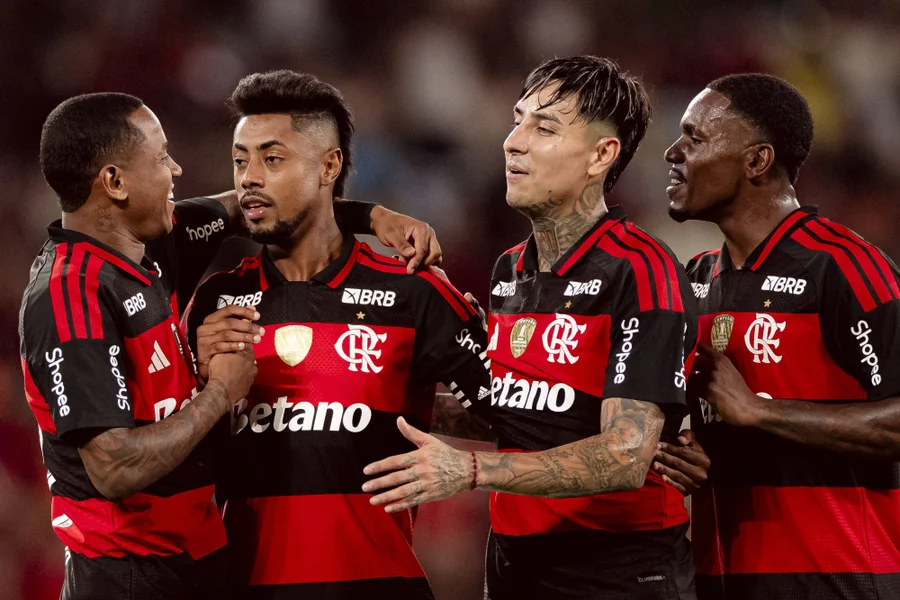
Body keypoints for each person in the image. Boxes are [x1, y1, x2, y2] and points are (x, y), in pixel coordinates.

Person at [20, 92, 445, 599]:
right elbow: (113, 468)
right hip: (128, 576)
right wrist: (219, 392)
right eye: (159, 158)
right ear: (114, 182)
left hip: (196, 562)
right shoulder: (70, 298)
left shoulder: (152, 245)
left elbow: (260, 207)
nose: (176, 169)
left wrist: (374, 217)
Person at [363, 56, 701, 600]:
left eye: (544, 128)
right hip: (514, 569)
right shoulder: (509, 271)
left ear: (601, 155)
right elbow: (525, 413)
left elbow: (626, 454)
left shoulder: (639, 270)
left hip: (617, 576)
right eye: (517, 119)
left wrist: (471, 471)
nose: (513, 142)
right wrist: (369, 390)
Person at [182, 69, 494, 600]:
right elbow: (188, 461)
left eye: (272, 159)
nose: (249, 177)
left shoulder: (413, 292)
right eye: (240, 160)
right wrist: (205, 388)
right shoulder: (213, 303)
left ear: (330, 165)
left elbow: (516, 413)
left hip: (377, 585)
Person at [660, 73, 900, 600]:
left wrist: (761, 411)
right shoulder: (694, 281)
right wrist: (686, 450)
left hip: (843, 583)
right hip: (726, 581)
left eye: (694, 138)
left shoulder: (844, 267)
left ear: (756, 161)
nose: (672, 152)